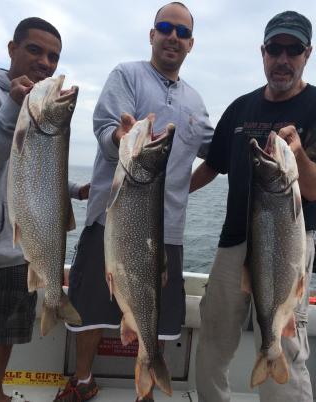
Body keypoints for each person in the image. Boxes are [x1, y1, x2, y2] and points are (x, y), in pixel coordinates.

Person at [54, 2, 213, 402]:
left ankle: (146, 388)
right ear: (151, 34)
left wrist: (184, 191)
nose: (172, 37)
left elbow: (219, 153)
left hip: (167, 230)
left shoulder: (196, 102)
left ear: (191, 44)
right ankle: (84, 381)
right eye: (165, 27)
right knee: (90, 306)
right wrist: (120, 139)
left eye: (181, 32)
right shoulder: (126, 75)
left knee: (153, 313)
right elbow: (107, 130)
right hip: (110, 221)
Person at [191, 10, 316, 402]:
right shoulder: (240, 108)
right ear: (262, 53)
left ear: (307, 54)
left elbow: (313, 190)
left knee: (285, 342)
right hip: (233, 243)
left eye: (292, 49)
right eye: (275, 49)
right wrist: (164, 200)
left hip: (288, 245)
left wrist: (299, 159)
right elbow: (213, 166)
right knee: (213, 338)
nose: (283, 58)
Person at [0, 18, 89, 402]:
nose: (45, 62)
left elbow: (37, 167)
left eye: (53, 56)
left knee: (5, 335)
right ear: (11, 49)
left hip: (19, 247)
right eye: (35, 50)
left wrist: (74, 189)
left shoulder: (38, 104)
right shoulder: (11, 102)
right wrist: (10, 114)